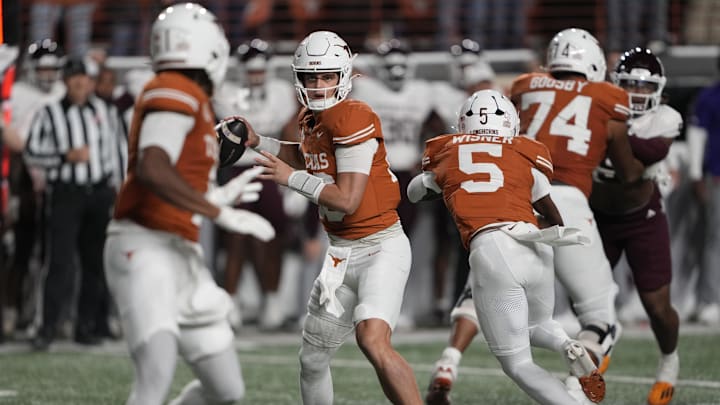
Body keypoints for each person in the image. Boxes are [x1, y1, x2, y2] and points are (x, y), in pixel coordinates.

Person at [424, 28, 646, 400]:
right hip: (568, 206)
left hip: (514, 201)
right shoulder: (607, 96)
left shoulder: (526, 86)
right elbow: (628, 172)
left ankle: (450, 358)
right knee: (599, 318)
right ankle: (575, 387)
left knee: (485, 293)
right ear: (592, 63)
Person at [103, 4, 275, 405]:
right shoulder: (175, 87)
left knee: (226, 390)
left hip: (181, 251)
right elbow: (152, 165)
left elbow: (171, 173)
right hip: (144, 245)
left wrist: (213, 196)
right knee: (155, 373)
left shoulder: (190, 97)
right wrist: (219, 212)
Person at [247, 30, 422, 404]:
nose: (319, 84)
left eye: (326, 76)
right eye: (311, 77)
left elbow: (346, 199)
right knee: (311, 359)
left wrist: (290, 179)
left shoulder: (354, 115)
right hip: (340, 253)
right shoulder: (313, 118)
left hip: (379, 247)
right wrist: (257, 141)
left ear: (344, 75)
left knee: (372, 340)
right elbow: (308, 157)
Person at [411, 89, 604, 405]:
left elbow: (413, 192)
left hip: (492, 247)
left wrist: (437, 184)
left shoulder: (448, 151)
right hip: (535, 243)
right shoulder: (524, 153)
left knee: (518, 363)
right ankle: (567, 345)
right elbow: (553, 216)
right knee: (539, 324)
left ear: (462, 125)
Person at [590, 47, 680, 405]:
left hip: (643, 218)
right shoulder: (601, 110)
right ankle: (605, 335)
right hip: (598, 216)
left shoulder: (665, 118)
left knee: (657, 307)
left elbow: (646, 152)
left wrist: (607, 127)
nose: (638, 93)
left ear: (658, 89)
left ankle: (669, 363)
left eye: (644, 87)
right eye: (629, 85)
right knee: (588, 300)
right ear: (616, 84)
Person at [24, 57, 124, 350]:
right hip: (67, 192)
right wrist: (64, 156)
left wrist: (119, 190)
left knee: (95, 262)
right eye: (76, 78)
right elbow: (31, 152)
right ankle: (48, 327)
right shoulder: (49, 112)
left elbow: (119, 152)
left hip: (100, 192)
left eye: (86, 79)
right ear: (66, 81)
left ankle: (87, 325)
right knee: (60, 261)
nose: (81, 84)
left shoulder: (106, 111)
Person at [213, 38, 298, 330]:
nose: (256, 77)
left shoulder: (282, 93)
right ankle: (231, 300)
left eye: (261, 72)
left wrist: (293, 176)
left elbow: (291, 131)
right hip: (237, 170)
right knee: (236, 238)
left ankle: (272, 299)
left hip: (271, 167)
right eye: (252, 72)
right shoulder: (226, 92)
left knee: (274, 237)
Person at [684, 54, 720, 326]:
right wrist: (696, 174)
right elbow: (697, 135)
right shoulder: (710, 96)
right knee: (714, 241)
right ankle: (710, 300)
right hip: (716, 176)